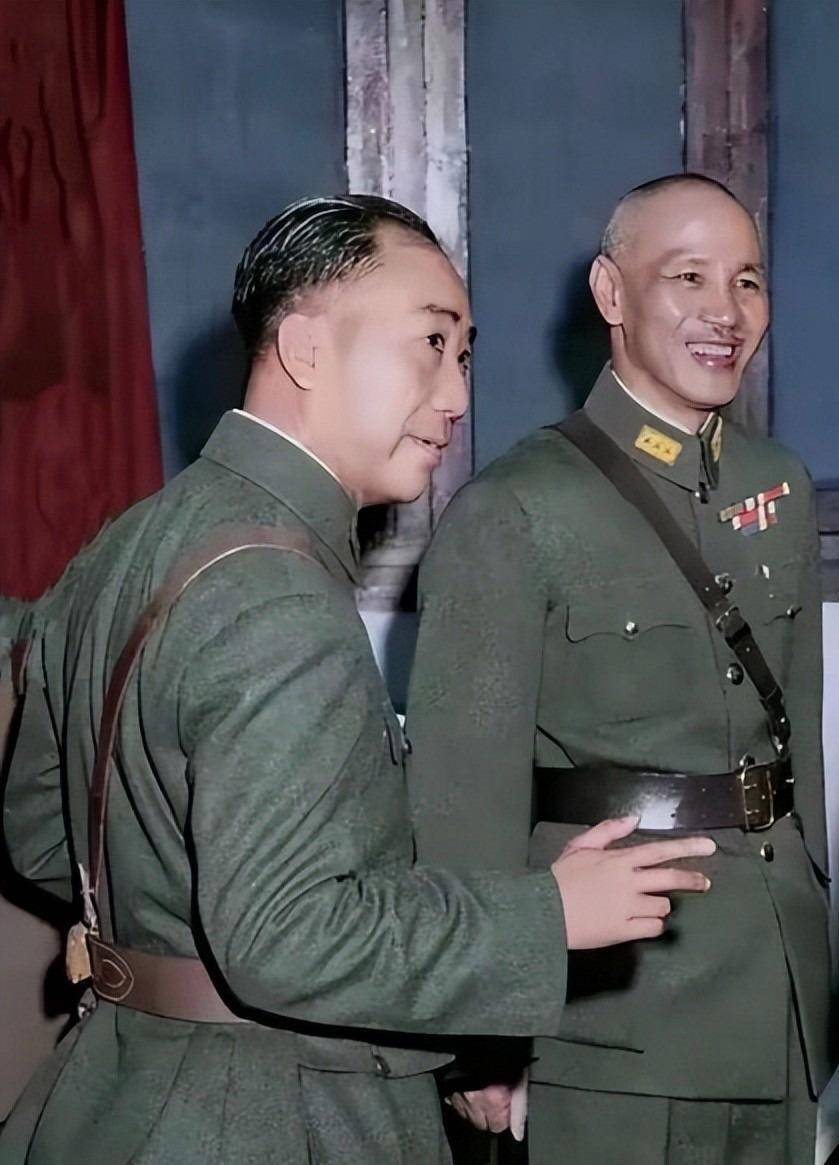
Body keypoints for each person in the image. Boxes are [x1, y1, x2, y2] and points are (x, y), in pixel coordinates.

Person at [0, 194, 714, 1165]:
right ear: (304, 349)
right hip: (269, 1117)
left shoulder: (130, 544)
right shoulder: (276, 594)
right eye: (430, 342)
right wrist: (548, 914)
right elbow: (285, 935)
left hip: (116, 1090)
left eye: (463, 356)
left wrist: (170, 929)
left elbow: (43, 832)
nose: (456, 394)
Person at [407, 174, 832, 1163]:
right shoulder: (515, 510)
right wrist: (482, 1035)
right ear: (610, 292)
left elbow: (798, 747)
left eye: (746, 281)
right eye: (687, 278)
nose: (724, 312)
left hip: (776, 994)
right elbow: (461, 804)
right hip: (613, 1016)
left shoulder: (775, 484)